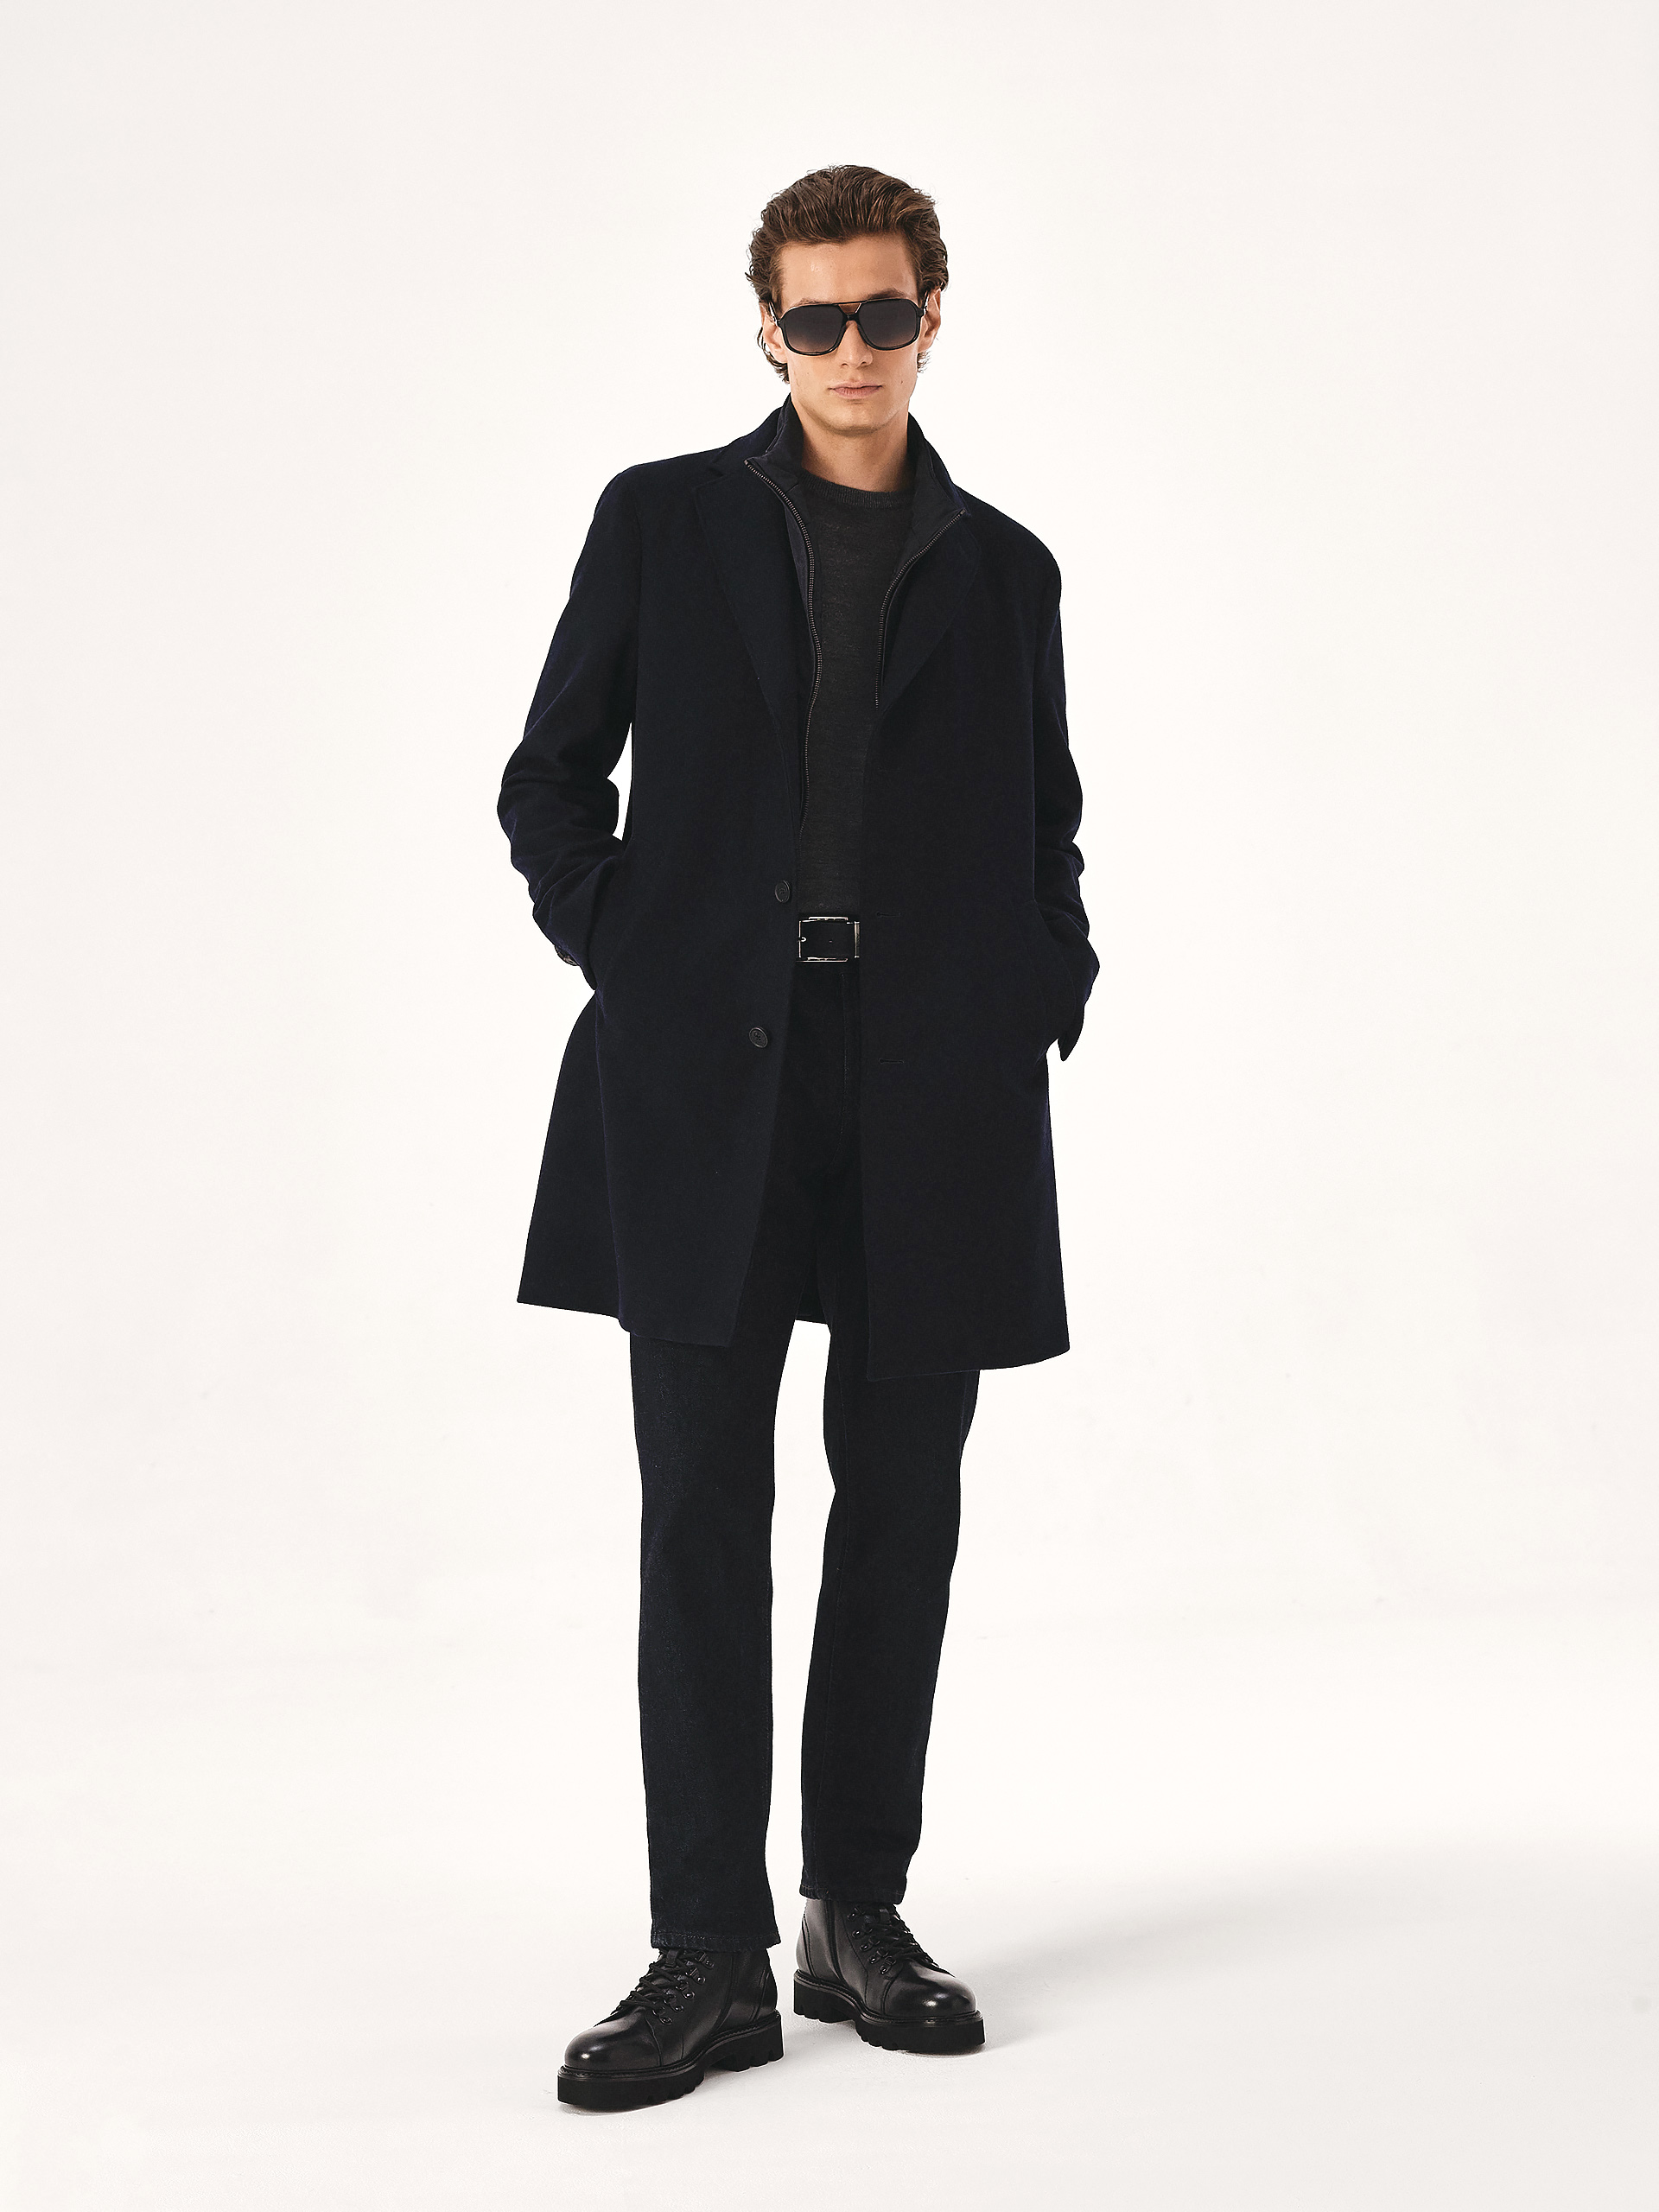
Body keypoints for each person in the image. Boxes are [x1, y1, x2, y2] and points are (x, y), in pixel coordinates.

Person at [497, 164, 1097, 2112]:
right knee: (702, 1511)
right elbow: (548, 776)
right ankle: (706, 1950)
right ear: (767, 330)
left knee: (902, 1505)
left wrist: (1044, 979)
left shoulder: (1006, 569)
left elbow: (1043, 815)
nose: (853, 348)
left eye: (884, 313)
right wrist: (630, 946)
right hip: (703, 1077)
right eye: (818, 317)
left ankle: (857, 1909)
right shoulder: (663, 519)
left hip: (931, 1082)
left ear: (933, 319)